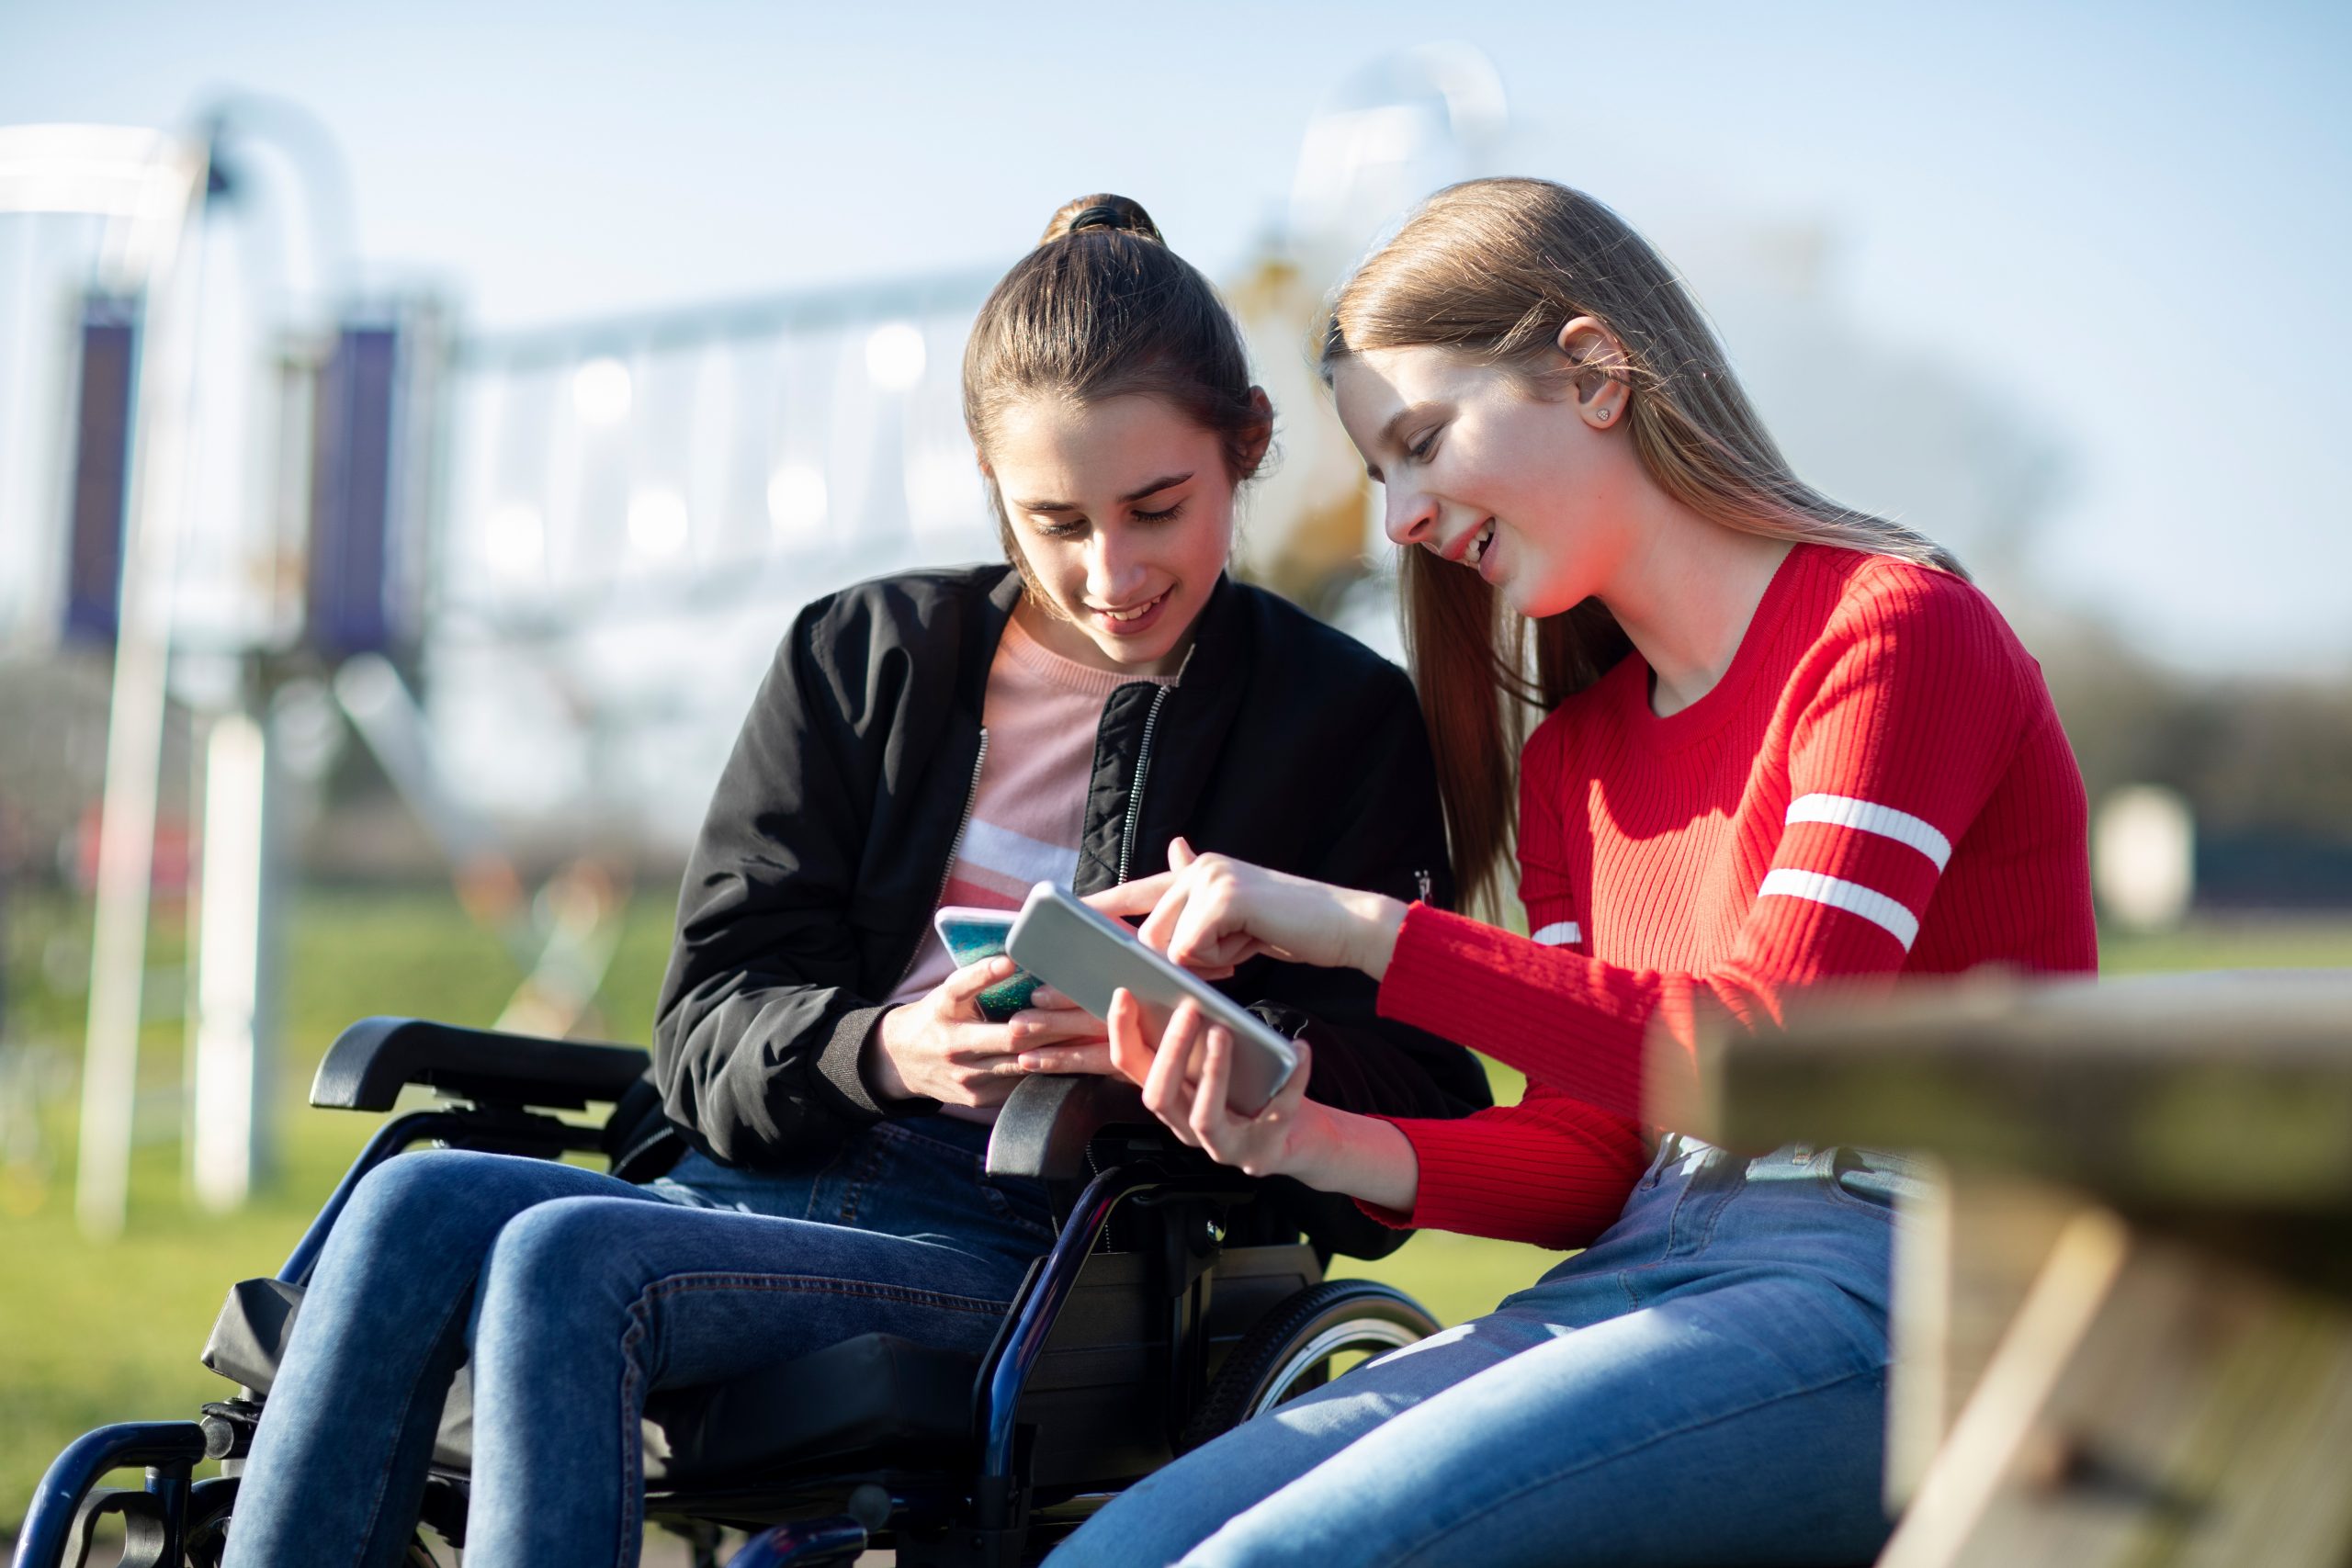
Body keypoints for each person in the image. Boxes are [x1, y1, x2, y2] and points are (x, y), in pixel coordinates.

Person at [221, 194, 1487, 1568]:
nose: (1108, 573)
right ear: (989, 483)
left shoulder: (1339, 721)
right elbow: (702, 1027)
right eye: (1053, 520)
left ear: (1245, 449)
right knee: (412, 1196)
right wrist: (887, 1047)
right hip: (736, 1184)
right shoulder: (857, 656)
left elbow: (1423, 1105)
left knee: (560, 1257)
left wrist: (1182, 1056)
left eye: (1157, 510)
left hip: (1036, 1247)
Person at [1040, 177, 2098, 1568]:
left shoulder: (1892, 632)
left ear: (1595, 373)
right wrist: (1299, 1134)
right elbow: (1599, 1158)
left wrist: (1370, 932)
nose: (1404, 518)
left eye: (1423, 444)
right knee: (1111, 1553)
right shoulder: (1575, 762)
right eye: (1381, 477)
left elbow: (1768, 1058)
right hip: (1654, 1265)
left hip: (1909, 1288)